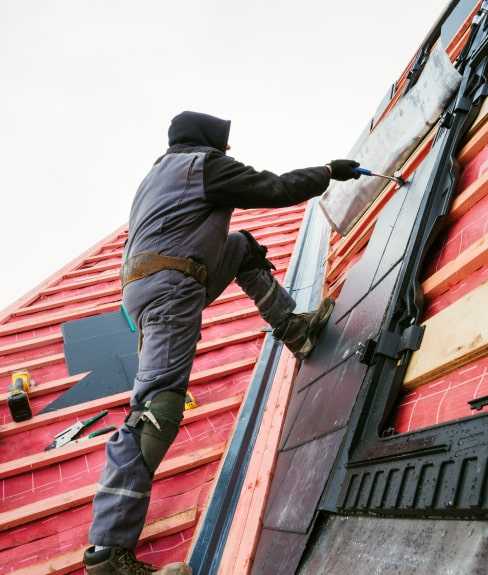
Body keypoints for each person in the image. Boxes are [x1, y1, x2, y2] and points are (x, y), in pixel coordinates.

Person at [83, 111, 360, 574]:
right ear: (208, 141)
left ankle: (295, 329)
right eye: (223, 144)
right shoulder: (203, 166)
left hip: (160, 280)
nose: (227, 152)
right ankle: (108, 554)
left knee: (242, 246)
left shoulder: (160, 173)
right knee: (157, 411)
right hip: (173, 285)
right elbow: (274, 189)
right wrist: (329, 172)